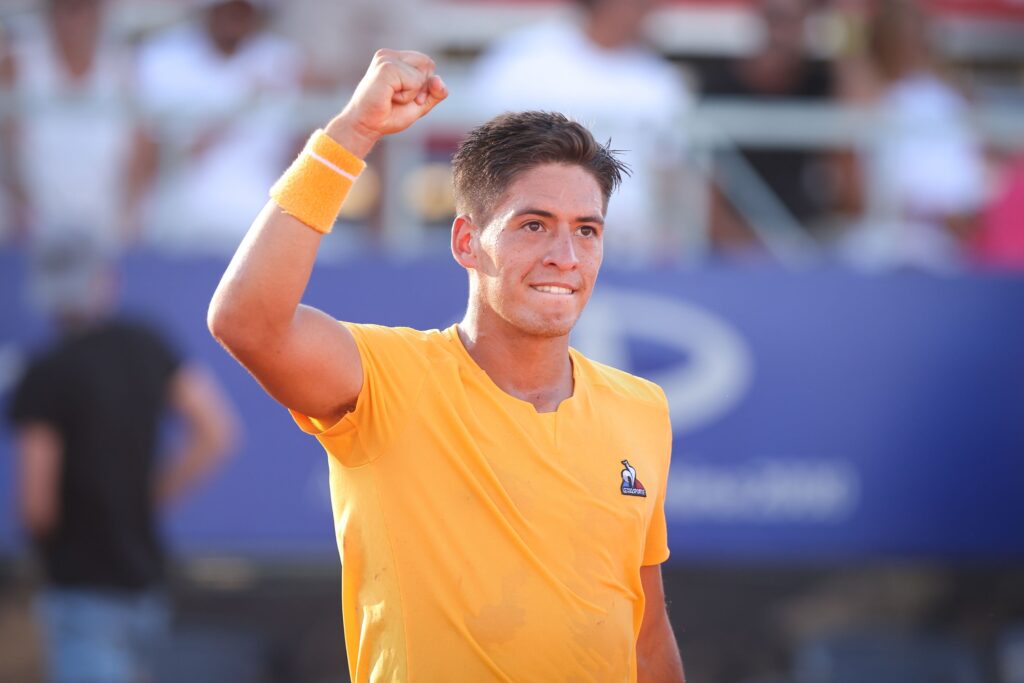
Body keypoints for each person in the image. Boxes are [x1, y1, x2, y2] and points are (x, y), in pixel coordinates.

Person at [208, 49, 685, 681]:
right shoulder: (385, 377)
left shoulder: (641, 408)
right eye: (535, 226)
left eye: (587, 231)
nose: (566, 256)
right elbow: (247, 321)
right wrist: (353, 132)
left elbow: (645, 631)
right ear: (467, 241)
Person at [8, 234, 237, 683]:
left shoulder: (45, 371)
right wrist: (145, 498)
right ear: (103, 281)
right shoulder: (145, 343)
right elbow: (216, 432)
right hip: (144, 583)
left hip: (81, 588)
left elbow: (36, 506)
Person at [468, 0, 692, 264]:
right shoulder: (524, 59)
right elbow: (475, 148)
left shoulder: (660, 81)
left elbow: (669, 174)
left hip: (625, 246)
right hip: (527, 232)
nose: (648, 13)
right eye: (640, 5)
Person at [135, 0, 305, 253]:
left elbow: (298, 152)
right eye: (228, 7)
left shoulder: (285, 60)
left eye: (244, 9)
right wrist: (239, 104)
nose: (235, 15)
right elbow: (148, 156)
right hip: (178, 231)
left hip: (261, 231)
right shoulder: (161, 58)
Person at [0, 0, 151, 250]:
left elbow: (141, 156)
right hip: (30, 235)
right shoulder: (15, 65)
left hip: (104, 233)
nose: (76, 17)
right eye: (68, 7)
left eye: (85, 7)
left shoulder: (124, 70)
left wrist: (123, 228)